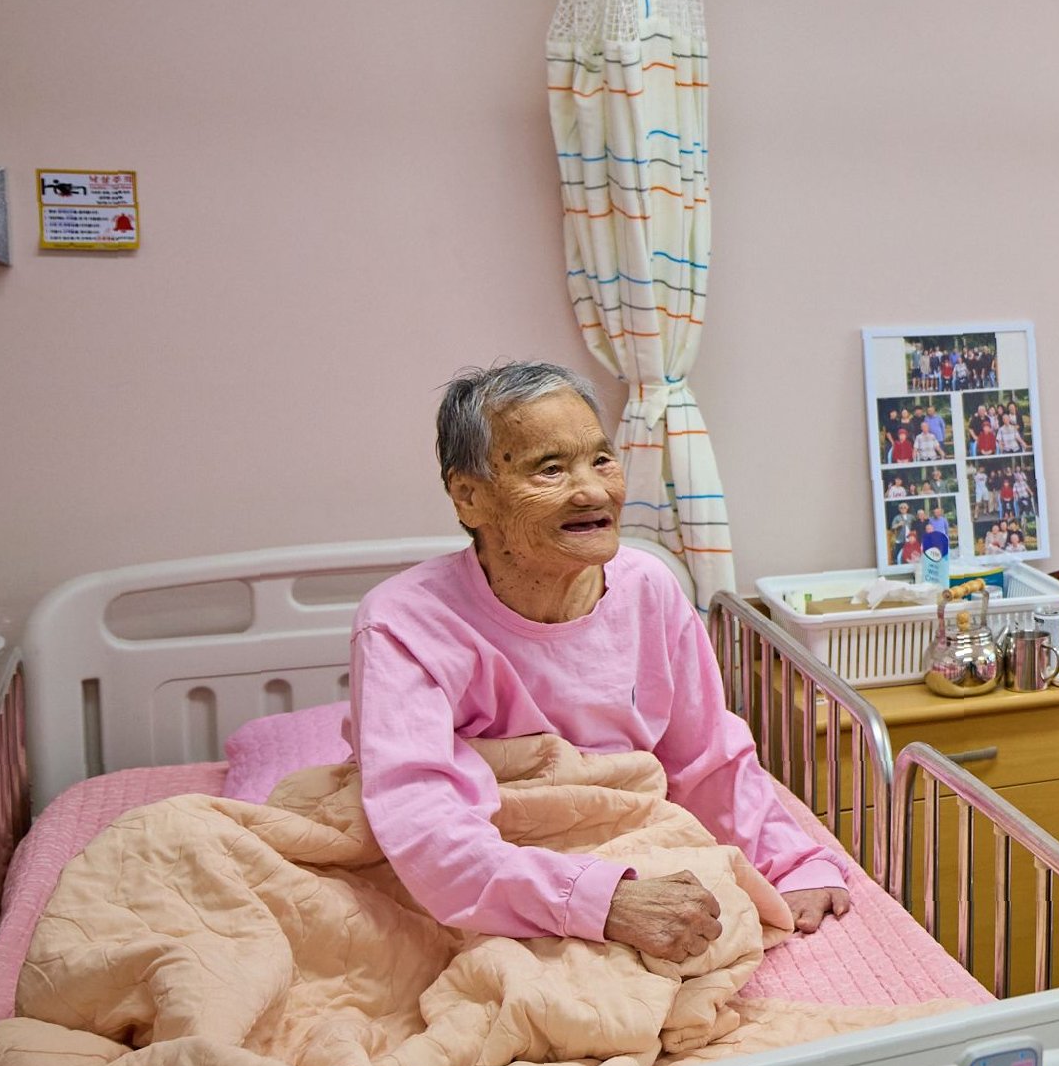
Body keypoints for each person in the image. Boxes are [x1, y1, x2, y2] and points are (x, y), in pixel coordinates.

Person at [354, 362, 853, 959]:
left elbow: (705, 756)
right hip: (476, 869)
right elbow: (421, 818)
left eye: (601, 459)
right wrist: (602, 902)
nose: (593, 491)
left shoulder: (648, 587)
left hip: (628, 835)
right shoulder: (402, 622)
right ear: (469, 496)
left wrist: (789, 860)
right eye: (550, 468)